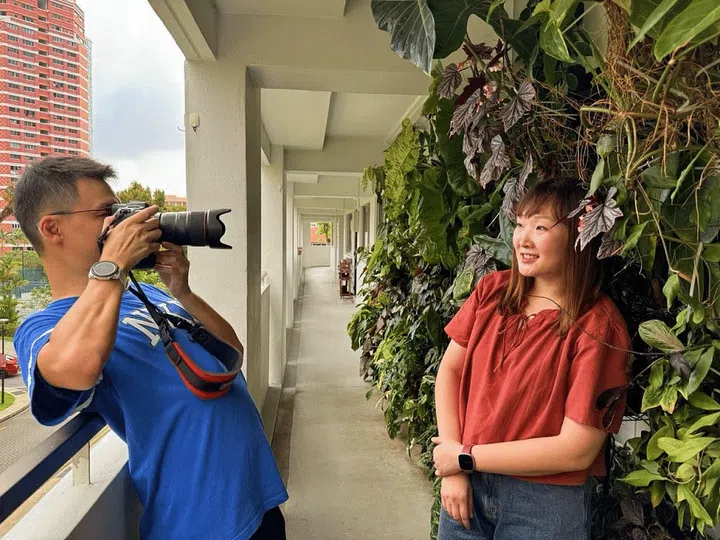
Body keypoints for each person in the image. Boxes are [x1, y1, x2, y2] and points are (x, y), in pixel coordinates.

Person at [12, 157, 288, 540]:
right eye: (107, 213)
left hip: (256, 498)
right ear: (52, 228)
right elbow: (75, 370)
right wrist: (112, 266)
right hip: (197, 523)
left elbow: (230, 352)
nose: (120, 224)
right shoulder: (41, 327)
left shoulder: (147, 295)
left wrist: (182, 292)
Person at [431, 177, 631, 540]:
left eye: (540, 227)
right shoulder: (493, 291)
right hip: (467, 488)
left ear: (577, 236)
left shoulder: (597, 326)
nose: (522, 238)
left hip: (544, 502)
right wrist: (455, 469)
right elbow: (451, 369)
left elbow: (576, 451)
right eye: (520, 224)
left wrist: (463, 457)